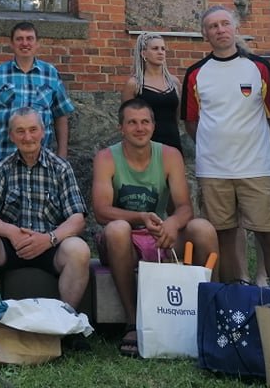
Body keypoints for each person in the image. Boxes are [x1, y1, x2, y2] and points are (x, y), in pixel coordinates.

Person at [93, 99, 218, 356]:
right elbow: (101, 211)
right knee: (117, 229)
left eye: (145, 122)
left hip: (159, 233)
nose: (139, 128)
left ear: (153, 125)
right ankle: (132, 320)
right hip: (125, 238)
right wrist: (140, 216)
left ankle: (211, 314)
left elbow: (185, 208)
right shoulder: (107, 157)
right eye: (132, 123)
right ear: (121, 128)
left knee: (202, 228)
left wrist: (172, 223)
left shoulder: (170, 155)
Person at [181, 6, 270, 284]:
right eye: (213, 26)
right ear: (204, 34)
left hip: (256, 168)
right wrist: (215, 145)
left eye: (224, 24)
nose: (220, 30)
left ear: (235, 27)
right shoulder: (196, 73)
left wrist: (254, 143)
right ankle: (236, 296)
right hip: (214, 171)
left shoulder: (259, 68)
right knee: (224, 237)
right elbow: (192, 122)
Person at [0, 108, 90, 333]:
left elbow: (77, 219)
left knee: (79, 249)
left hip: (50, 245)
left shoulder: (60, 168)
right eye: (20, 131)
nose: (27, 137)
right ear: (11, 136)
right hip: (11, 246)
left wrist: (49, 239)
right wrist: (10, 231)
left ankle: (66, 324)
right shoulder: (1, 168)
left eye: (33, 130)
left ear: (43, 132)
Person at [0, 22, 75, 176]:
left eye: (30, 39)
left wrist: (62, 155)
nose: (25, 43)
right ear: (12, 43)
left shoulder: (50, 74)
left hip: (40, 159)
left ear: (37, 44)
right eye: (19, 39)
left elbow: (61, 116)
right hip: (2, 156)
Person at [121, 33, 182, 150]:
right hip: (144, 145)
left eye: (163, 49)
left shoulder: (174, 82)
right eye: (155, 49)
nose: (160, 52)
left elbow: (177, 116)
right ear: (144, 53)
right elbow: (127, 119)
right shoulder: (134, 84)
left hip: (172, 141)